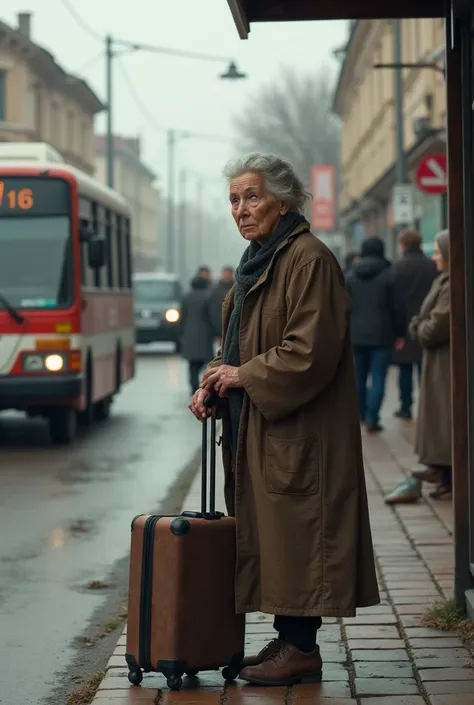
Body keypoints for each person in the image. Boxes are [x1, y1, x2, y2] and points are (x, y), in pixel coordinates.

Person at [189, 153, 379, 686]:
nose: (241, 210)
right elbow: (242, 345)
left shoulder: (307, 259)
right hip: (266, 426)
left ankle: (301, 647)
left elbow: (308, 351)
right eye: (233, 200)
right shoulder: (261, 259)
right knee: (276, 537)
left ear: (284, 200)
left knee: (299, 535)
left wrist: (241, 376)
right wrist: (213, 380)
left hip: (301, 432)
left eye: (252, 197)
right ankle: (286, 636)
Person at [385, 230, 451, 504]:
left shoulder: (448, 284)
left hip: (441, 358)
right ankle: (442, 473)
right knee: (436, 412)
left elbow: (433, 327)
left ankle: (444, 471)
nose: (434, 256)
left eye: (437, 251)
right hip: (435, 357)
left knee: (441, 415)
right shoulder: (438, 277)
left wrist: (414, 326)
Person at [346, 236, 406, 433]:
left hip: (355, 335)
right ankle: (372, 418)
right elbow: (398, 308)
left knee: (357, 378)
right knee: (379, 377)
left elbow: (343, 307)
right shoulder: (391, 275)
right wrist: (400, 333)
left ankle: (360, 415)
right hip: (382, 335)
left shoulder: (350, 276)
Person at [391, 229, 438, 420]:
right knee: (424, 367)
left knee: (404, 369)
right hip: (427, 321)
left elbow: (394, 300)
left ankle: (406, 406)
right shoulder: (431, 265)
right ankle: (427, 407)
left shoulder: (398, 266)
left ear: (403, 244)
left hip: (404, 324)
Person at [180, 275, 214, 395]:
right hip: (205, 334)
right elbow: (213, 316)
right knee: (208, 363)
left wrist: (181, 333)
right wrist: (219, 332)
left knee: (192, 365)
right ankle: (206, 386)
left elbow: (182, 318)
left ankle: (193, 387)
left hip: (189, 334)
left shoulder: (185, 298)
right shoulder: (209, 297)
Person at [208, 266, 235, 344]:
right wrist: (216, 331)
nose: (227, 275)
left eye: (229, 274)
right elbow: (214, 311)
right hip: (220, 324)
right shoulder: (216, 290)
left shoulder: (236, 288)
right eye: (226, 273)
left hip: (233, 323)